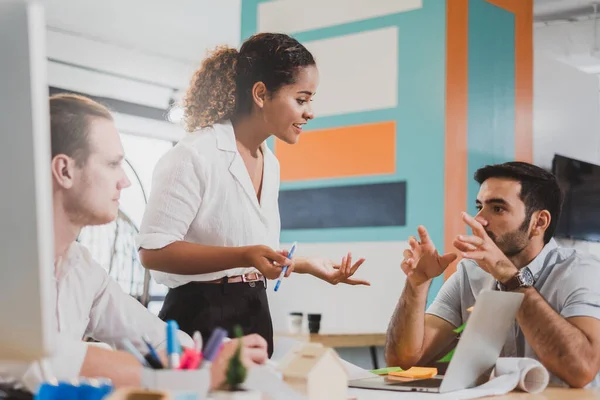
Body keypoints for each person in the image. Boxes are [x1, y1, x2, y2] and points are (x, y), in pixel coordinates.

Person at [7, 94, 269, 393]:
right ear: (65, 171)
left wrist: (207, 356)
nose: (125, 181)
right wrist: (195, 377)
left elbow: (152, 337)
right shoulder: (10, 265)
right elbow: (45, 360)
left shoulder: (82, 268)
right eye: (112, 164)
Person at [137, 32, 369, 357]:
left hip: (255, 311)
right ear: (261, 93)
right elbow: (153, 251)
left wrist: (304, 265)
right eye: (301, 99)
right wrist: (245, 255)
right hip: (200, 318)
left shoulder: (269, 163)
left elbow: (253, 254)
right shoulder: (194, 155)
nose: (310, 112)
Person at [385, 161, 600, 388]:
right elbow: (404, 361)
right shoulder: (470, 273)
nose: (479, 219)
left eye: (498, 208)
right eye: (479, 206)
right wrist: (417, 284)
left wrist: (509, 276)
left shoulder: (580, 270)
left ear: (539, 222)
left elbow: (581, 370)